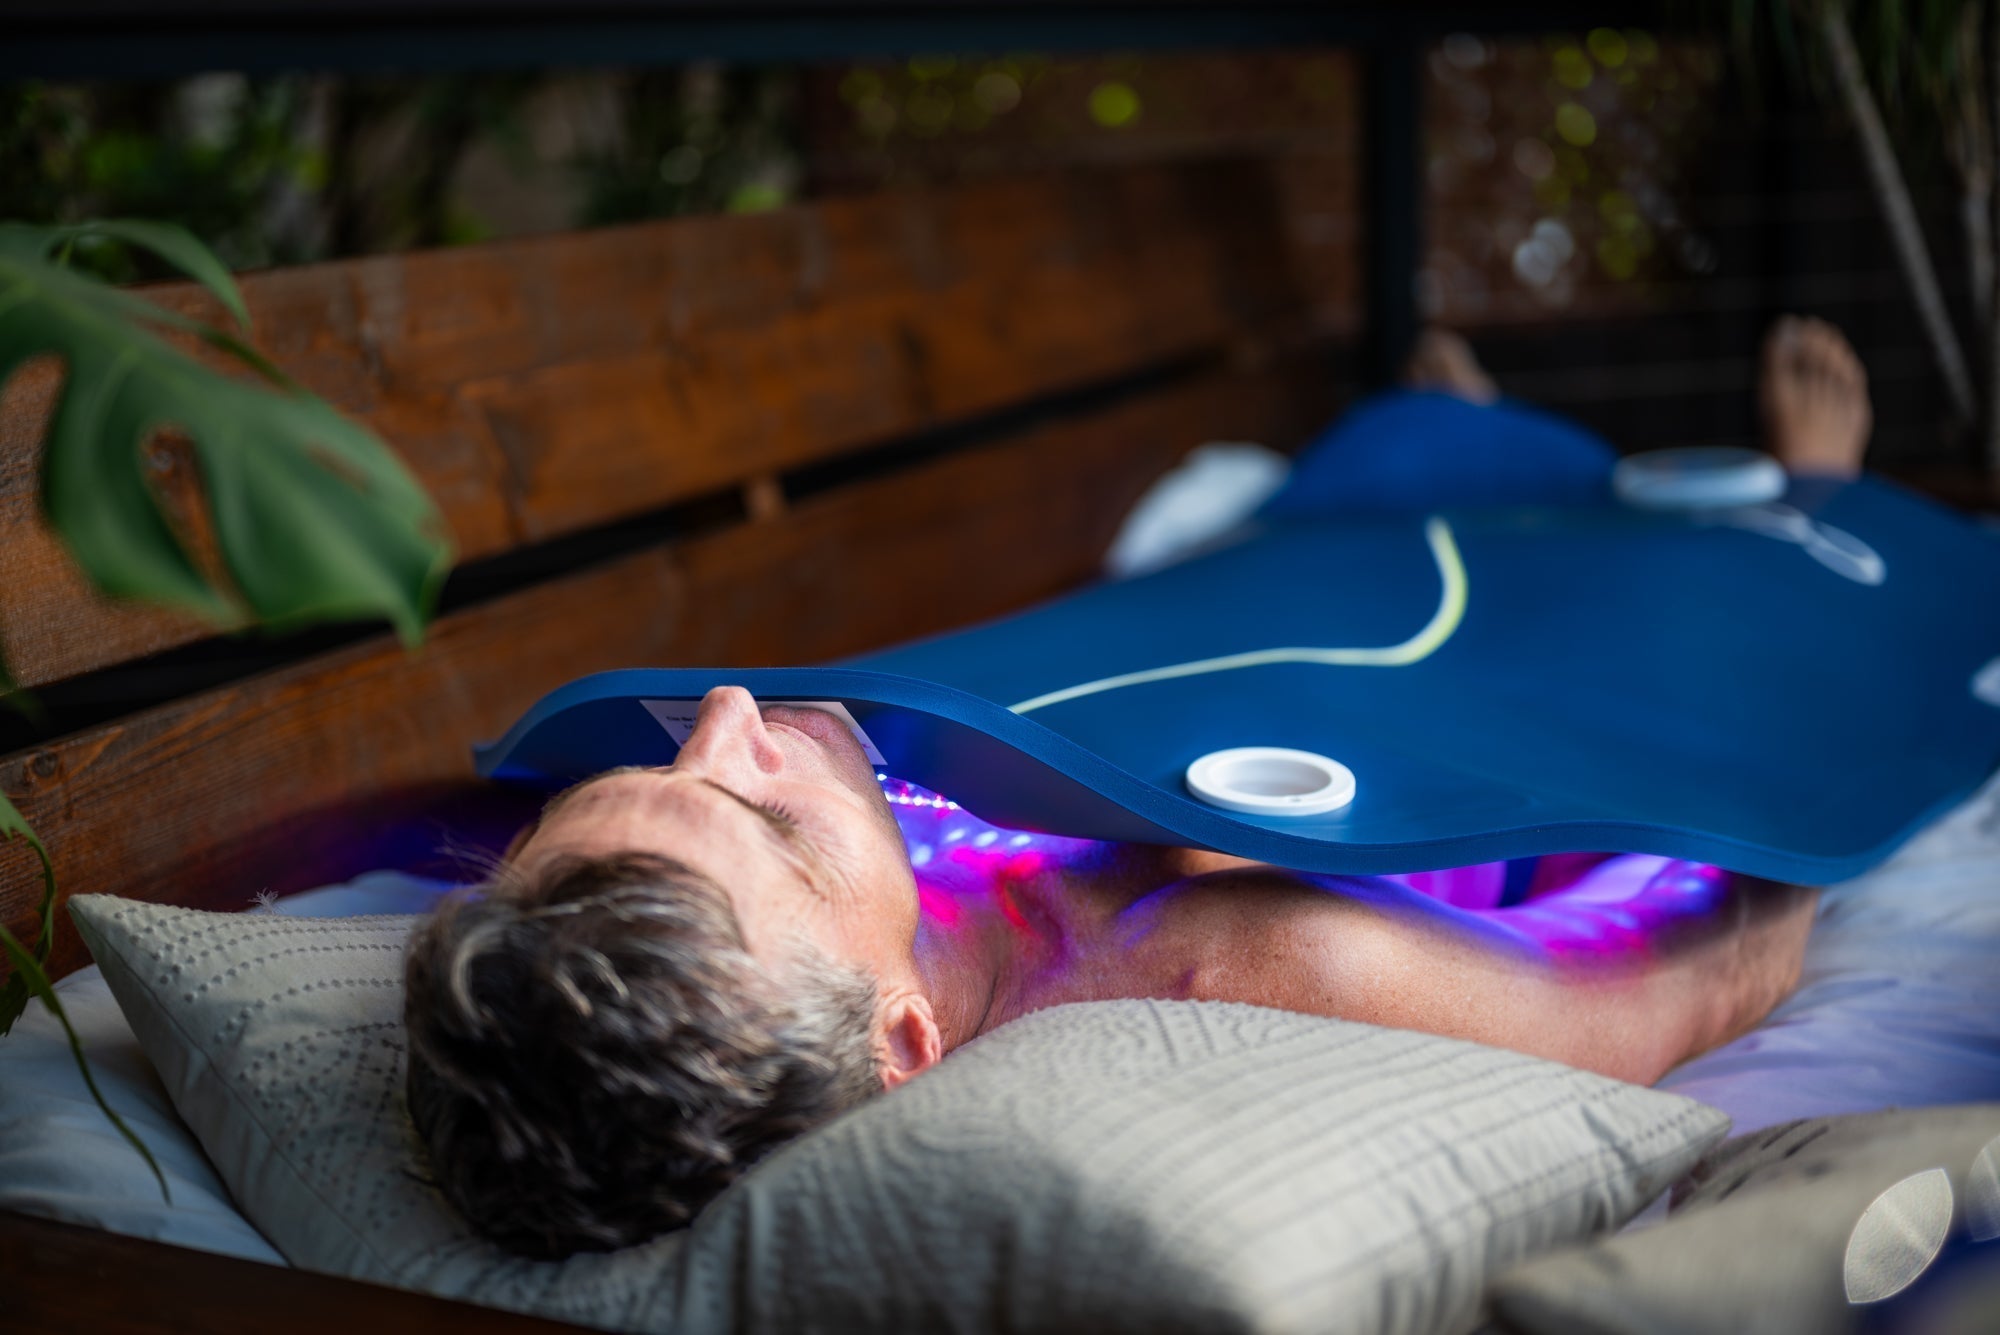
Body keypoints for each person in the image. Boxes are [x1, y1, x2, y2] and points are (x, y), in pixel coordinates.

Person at [403, 316, 1865, 1260]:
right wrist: (1806, 702)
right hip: (1537, 702)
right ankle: (1803, 490)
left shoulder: (852, 885)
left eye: (660, 770)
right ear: (900, 1043)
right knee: (1671, 561)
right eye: (762, 814)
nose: (723, 712)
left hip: (1261, 617)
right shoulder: (1243, 956)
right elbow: (1702, 966)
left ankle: (1461, 436)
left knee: (1367, 481)